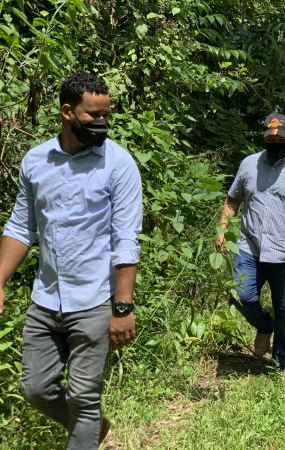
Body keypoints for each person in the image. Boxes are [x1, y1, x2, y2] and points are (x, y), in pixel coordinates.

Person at [0, 72, 142, 449]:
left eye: (105, 114)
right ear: (67, 112)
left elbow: (126, 239)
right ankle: (92, 428)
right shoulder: (35, 161)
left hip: (95, 299)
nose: (102, 123)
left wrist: (122, 306)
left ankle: (85, 429)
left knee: (83, 398)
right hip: (46, 298)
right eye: (93, 115)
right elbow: (20, 227)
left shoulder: (119, 164)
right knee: (35, 389)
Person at [215, 113, 285, 372]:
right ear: (264, 137)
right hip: (249, 246)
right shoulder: (249, 164)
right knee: (243, 295)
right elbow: (233, 200)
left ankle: (281, 364)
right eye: (270, 138)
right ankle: (264, 325)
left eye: (280, 138)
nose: (275, 143)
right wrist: (221, 229)